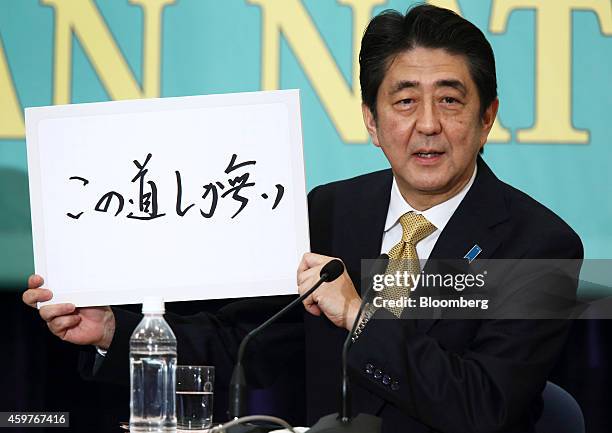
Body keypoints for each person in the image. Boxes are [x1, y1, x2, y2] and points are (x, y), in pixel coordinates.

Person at [23, 5, 583, 433]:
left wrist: (359, 316)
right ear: (371, 119)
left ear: (487, 119)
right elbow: (243, 342)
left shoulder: (540, 245)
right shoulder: (330, 211)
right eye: (405, 101)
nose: (428, 125)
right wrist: (112, 331)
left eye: (451, 101)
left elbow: (484, 406)